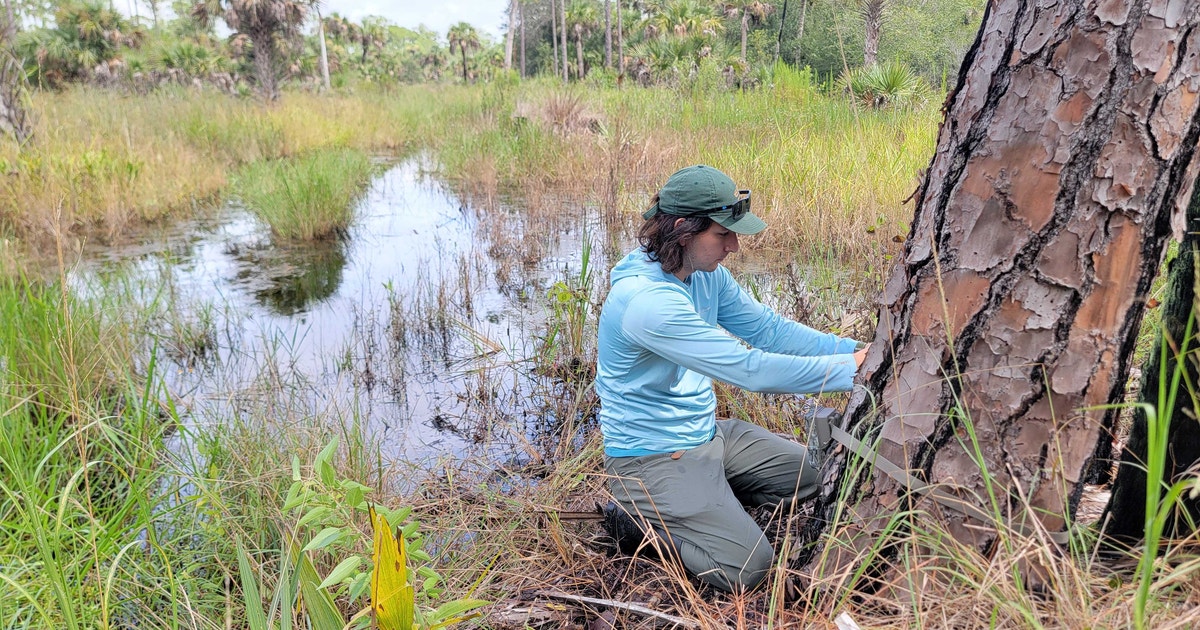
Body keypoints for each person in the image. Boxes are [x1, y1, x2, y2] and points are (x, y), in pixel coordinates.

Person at [595, 164, 868, 593]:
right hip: (649, 458)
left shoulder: (705, 275)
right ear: (683, 229)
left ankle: (708, 503)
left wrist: (855, 350)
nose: (734, 246)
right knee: (747, 567)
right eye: (723, 234)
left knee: (819, 473)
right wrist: (852, 370)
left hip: (709, 436)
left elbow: (769, 331)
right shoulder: (647, 303)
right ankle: (636, 523)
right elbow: (750, 369)